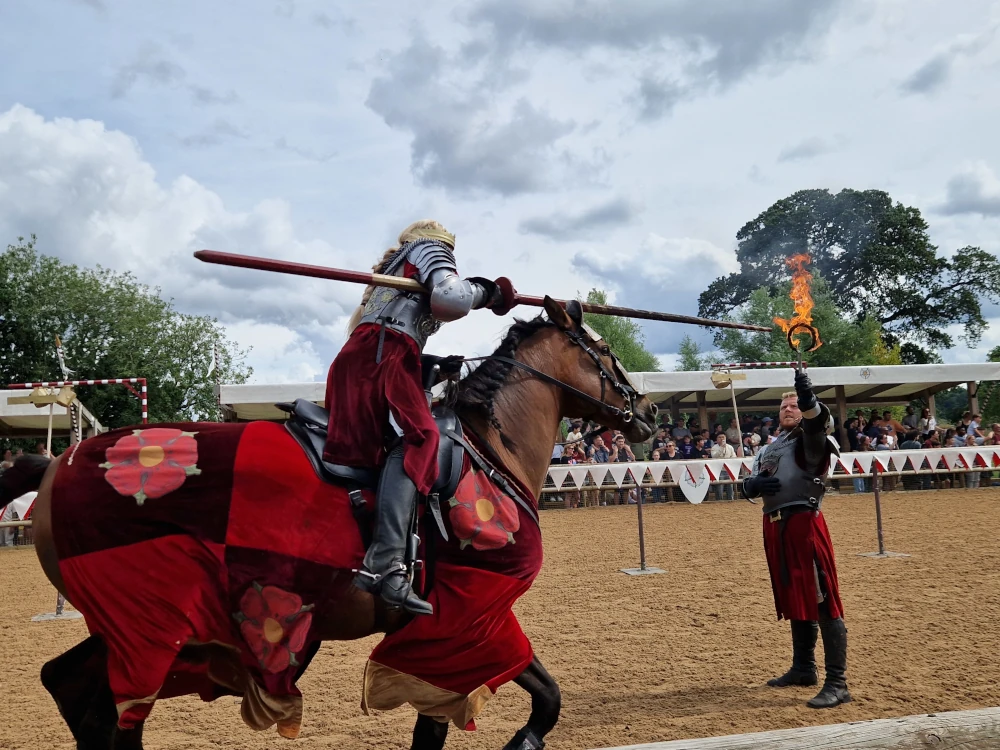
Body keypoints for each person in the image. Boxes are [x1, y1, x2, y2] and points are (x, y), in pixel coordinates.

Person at [323, 219, 512, 615]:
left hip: (370, 358)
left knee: (390, 446)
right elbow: (451, 296)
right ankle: (386, 565)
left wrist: (433, 364)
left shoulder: (389, 277)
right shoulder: (427, 248)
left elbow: (396, 330)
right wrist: (490, 292)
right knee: (421, 438)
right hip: (382, 357)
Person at [741, 371, 851, 709]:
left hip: (804, 522)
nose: (789, 409)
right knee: (794, 593)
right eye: (785, 405)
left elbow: (818, 422)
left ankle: (838, 682)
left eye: (794, 405)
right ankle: (804, 668)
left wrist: (809, 399)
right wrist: (752, 486)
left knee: (821, 598)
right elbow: (747, 482)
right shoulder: (771, 447)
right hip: (775, 525)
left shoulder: (811, 438)